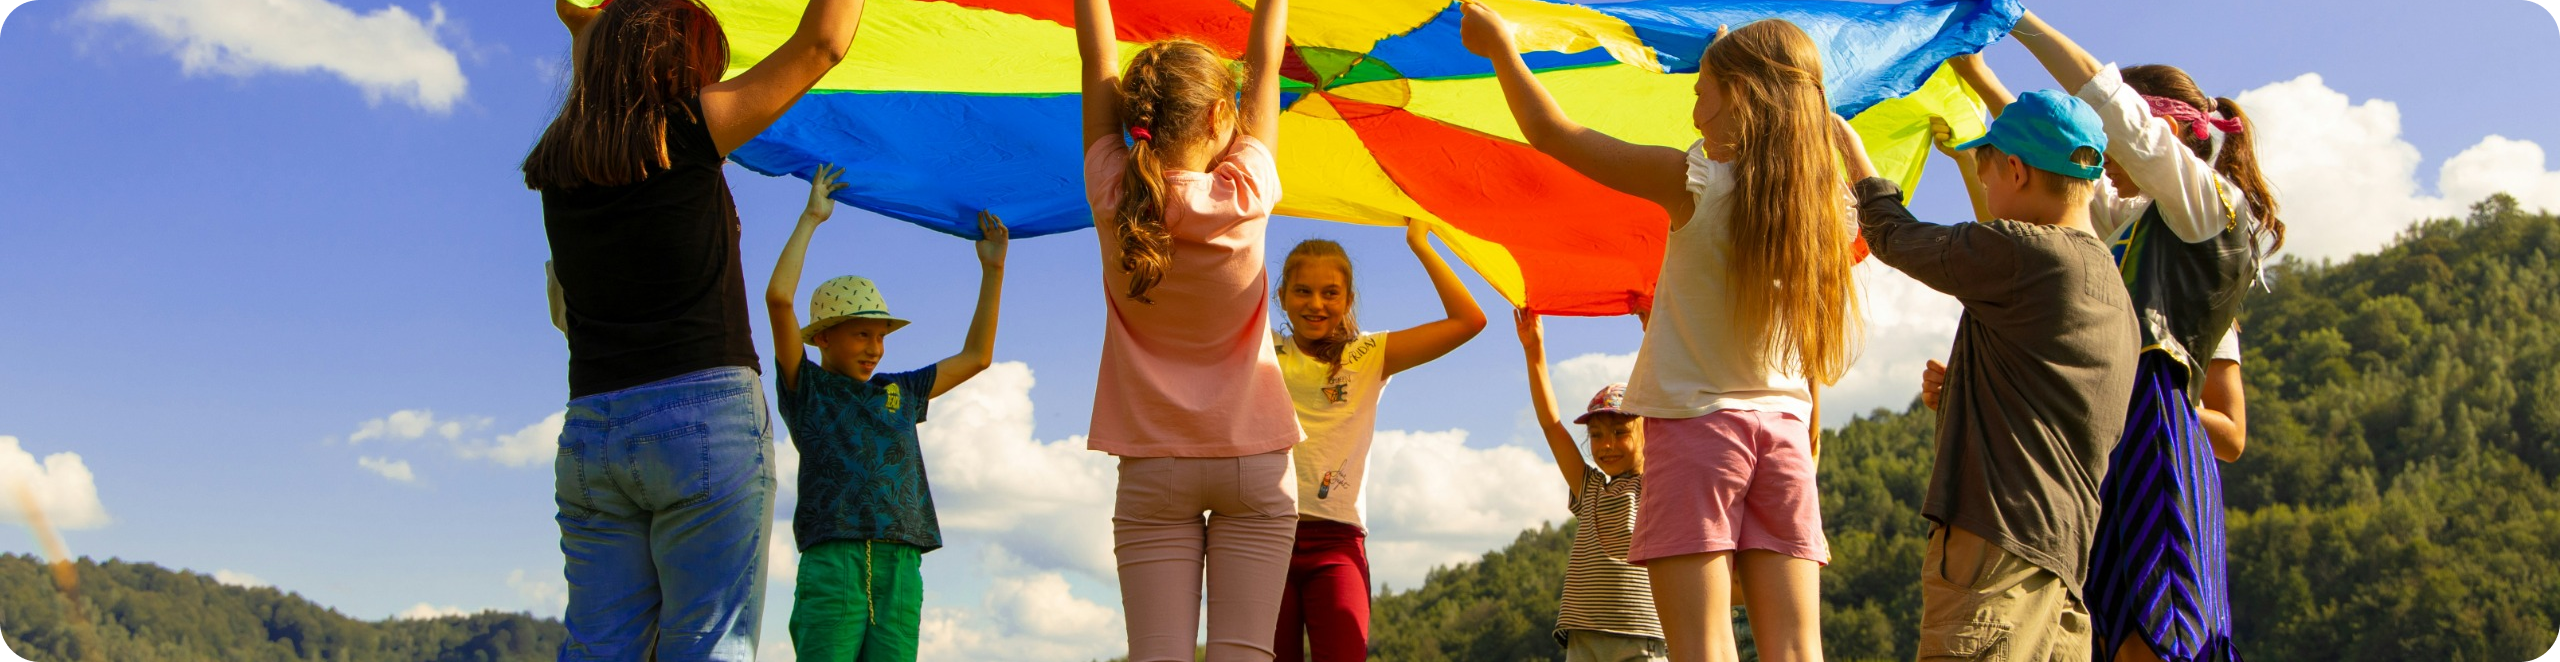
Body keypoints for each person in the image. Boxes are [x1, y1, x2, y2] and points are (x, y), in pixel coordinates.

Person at [1458, 8, 1861, 662]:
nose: (1692, 99)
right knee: (1796, 648)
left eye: (1702, 85)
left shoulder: (1696, 183)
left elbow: (1552, 132)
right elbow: (1825, 161)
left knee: (1702, 646)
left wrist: (1501, 47)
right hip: (1784, 435)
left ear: (1739, 96)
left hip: (1698, 431)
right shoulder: (1825, 209)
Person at [525, 0, 865, 658]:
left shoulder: (562, 157)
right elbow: (823, 42)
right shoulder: (685, 130)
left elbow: (599, 87)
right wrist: (583, 28)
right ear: (681, 68)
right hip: (702, 420)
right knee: (709, 648)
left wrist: (580, 27)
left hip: (594, 429)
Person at [2005, 11, 2283, 661]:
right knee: (2119, 630)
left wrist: (2023, 23)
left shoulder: (2209, 207)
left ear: (2168, 132)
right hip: (2112, 439)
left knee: (2160, 635)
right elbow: (2066, 168)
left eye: (2113, 141)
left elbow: (2114, 108)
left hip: (2160, 433)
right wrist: (1977, 78)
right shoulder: (2133, 222)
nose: (2103, 158)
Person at [1844, 80, 2141, 661]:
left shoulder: (2030, 252)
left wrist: (1846, 143)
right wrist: (1962, 391)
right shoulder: (2109, 281)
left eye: (1984, 169)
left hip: (1994, 548)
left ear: (2016, 169)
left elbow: (1893, 235)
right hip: (2060, 556)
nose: (1981, 183)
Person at [1074, 0, 1299, 656]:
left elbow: (1097, 63)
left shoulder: (1113, 191)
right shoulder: (1246, 191)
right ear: (1215, 115)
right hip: (1254, 462)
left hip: (1153, 462)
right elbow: (1264, 66)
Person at [762, 164, 1008, 661]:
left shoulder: (901, 390)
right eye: (861, 333)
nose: (875, 347)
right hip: (833, 560)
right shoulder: (807, 388)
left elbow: (977, 357)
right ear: (824, 336)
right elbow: (779, 299)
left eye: (880, 336)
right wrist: (811, 218)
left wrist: (993, 270)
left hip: (900, 561)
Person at [1266, 224, 1487, 661]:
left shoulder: (1368, 354)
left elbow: (1470, 320)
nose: (1315, 304)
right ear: (1282, 298)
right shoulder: (1263, 347)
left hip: (1337, 541)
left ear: (1348, 300)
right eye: (1302, 291)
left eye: (1331, 293)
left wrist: (1420, 245)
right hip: (1264, 533)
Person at [1516, 311, 1669, 662]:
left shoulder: (1657, 483)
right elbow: (1552, 426)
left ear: (1647, 430)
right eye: (1596, 435)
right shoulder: (1590, 488)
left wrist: (1653, 332)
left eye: (1620, 432)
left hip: (1639, 634)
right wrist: (1534, 351)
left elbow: (1665, 395)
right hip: (1583, 635)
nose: (1607, 445)